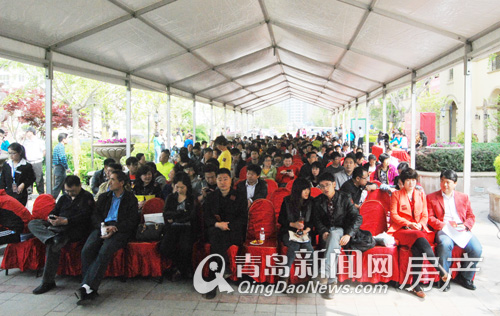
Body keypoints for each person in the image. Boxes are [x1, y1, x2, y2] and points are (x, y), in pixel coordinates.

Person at [75, 171, 139, 305]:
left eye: (113, 180)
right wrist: (102, 226)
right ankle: (89, 288)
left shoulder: (130, 199)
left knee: (105, 251)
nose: (109, 182)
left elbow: (132, 221)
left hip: (119, 230)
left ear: (121, 183)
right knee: (87, 250)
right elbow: (95, 216)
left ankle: (87, 287)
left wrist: (115, 228)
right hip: (102, 227)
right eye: (109, 179)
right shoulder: (104, 197)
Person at [388, 168, 448, 298]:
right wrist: (408, 223)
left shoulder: (420, 194)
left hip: (418, 229)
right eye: (408, 180)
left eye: (413, 180)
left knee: (418, 246)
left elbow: (425, 214)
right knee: (418, 236)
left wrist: (420, 224)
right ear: (402, 182)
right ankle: (438, 268)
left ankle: (416, 285)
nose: (411, 183)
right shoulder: (396, 195)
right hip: (401, 230)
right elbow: (394, 215)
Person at [29, 176, 94, 294]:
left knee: (53, 246)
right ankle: (50, 237)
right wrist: (52, 217)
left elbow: (85, 216)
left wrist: (66, 221)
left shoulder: (87, 197)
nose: (70, 193)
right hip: (56, 227)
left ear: (80, 186)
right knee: (33, 223)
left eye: (73, 191)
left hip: (73, 229)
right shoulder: (64, 198)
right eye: (67, 191)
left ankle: (47, 281)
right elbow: (55, 210)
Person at [427, 169, 482, 291]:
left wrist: (465, 226)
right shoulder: (431, 197)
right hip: (444, 229)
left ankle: (465, 277)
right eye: (442, 181)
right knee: (445, 244)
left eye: (448, 182)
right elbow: (429, 217)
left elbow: (471, 216)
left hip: (461, 229)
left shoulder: (463, 197)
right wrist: (443, 225)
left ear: (455, 183)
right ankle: (444, 278)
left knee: (477, 248)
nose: (444, 185)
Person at [313, 172, 362, 299]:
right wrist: (323, 231)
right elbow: (316, 220)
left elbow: (357, 218)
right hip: (327, 233)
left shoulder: (344, 197)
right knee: (333, 241)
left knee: (335, 235)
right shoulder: (318, 201)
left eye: (327, 185)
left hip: (341, 231)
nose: (325, 188)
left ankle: (325, 273)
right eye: (322, 186)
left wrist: (349, 234)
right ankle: (331, 282)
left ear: (334, 184)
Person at [203, 168, 247, 299]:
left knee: (217, 241)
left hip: (233, 231)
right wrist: (217, 224)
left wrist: (227, 225)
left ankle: (213, 279)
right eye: (220, 179)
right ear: (215, 181)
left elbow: (243, 218)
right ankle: (224, 269)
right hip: (216, 229)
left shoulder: (239, 196)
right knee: (217, 236)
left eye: (225, 179)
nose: (222, 182)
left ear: (231, 180)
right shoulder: (211, 197)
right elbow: (206, 216)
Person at [159, 172, 197, 281]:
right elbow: (166, 214)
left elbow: (191, 216)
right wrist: (181, 213)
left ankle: (180, 270)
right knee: (165, 247)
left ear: (187, 186)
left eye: (182, 187)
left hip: (187, 227)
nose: (180, 190)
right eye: (177, 187)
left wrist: (175, 216)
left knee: (185, 247)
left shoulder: (191, 197)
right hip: (172, 227)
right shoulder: (171, 197)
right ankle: (181, 268)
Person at [277, 178, 314, 281]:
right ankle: (284, 277)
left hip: (304, 233)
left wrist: (306, 231)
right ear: (298, 190)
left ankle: (313, 277)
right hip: (288, 232)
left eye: (308, 189)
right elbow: (281, 219)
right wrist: (293, 224)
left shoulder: (311, 202)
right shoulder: (287, 201)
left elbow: (313, 221)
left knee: (309, 249)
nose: (307, 192)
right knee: (294, 246)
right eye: (304, 189)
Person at [22, 127, 45, 194]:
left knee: (39, 178)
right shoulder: (25, 142)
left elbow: (44, 151)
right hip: (28, 162)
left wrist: (40, 158)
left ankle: (41, 193)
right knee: (28, 177)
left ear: (32, 132)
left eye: (27, 132)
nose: (26, 133)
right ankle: (29, 192)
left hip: (37, 162)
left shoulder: (38, 141)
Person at [52, 133, 71, 200]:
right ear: (63, 139)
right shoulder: (60, 147)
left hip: (57, 168)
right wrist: (67, 168)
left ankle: (67, 200)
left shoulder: (57, 146)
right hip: (60, 169)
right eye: (67, 138)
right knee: (58, 187)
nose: (68, 140)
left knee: (64, 187)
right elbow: (62, 158)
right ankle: (51, 200)